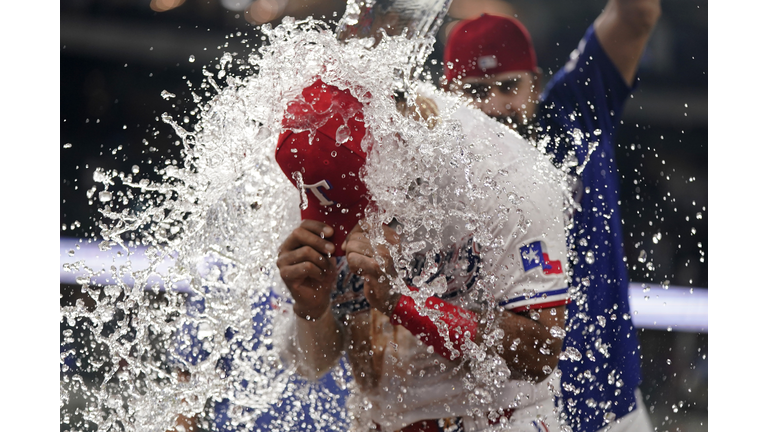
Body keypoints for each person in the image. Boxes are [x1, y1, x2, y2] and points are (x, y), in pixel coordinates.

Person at [274, 78, 572, 432]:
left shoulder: (503, 177)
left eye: (356, 209)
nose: (347, 231)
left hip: (498, 420)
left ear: (394, 156)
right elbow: (312, 366)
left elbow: (541, 352)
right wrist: (311, 310)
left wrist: (406, 302)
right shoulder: (313, 173)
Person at [441, 2, 661, 431]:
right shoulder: (435, 174)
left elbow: (638, 13)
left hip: (608, 403)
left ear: (534, 85)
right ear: (446, 96)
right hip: (503, 416)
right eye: (475, 91)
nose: (494, 106)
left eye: (508, 86)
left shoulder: (574, 113)